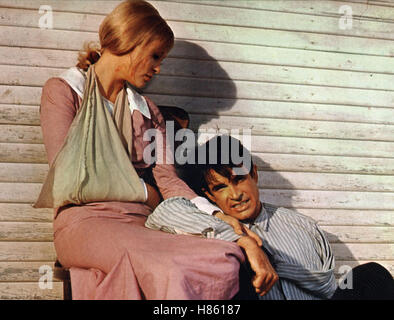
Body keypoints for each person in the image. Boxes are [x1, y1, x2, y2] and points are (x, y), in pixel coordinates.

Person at [38, 0, 264, 299]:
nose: (158, 68)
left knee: (219, 257)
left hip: (144, 222)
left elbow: (169, 182)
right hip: (84, 222)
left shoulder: (149, 113)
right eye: (155, 55)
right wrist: (147, 192)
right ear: (130, 41)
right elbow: (69, 178)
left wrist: (219, 217)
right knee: (167, 266)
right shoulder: (64, 91)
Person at [146, 135, 394, 300]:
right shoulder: (208, 224)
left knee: (373, 275)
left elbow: (328, 286)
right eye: (220, 188)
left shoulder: (302, 225)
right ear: (208, 194)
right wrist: (243, 242)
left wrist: (273, 261)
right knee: (237, 268)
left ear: (253, 174)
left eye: (239, 180)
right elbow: (164, 212)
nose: (235, 195)